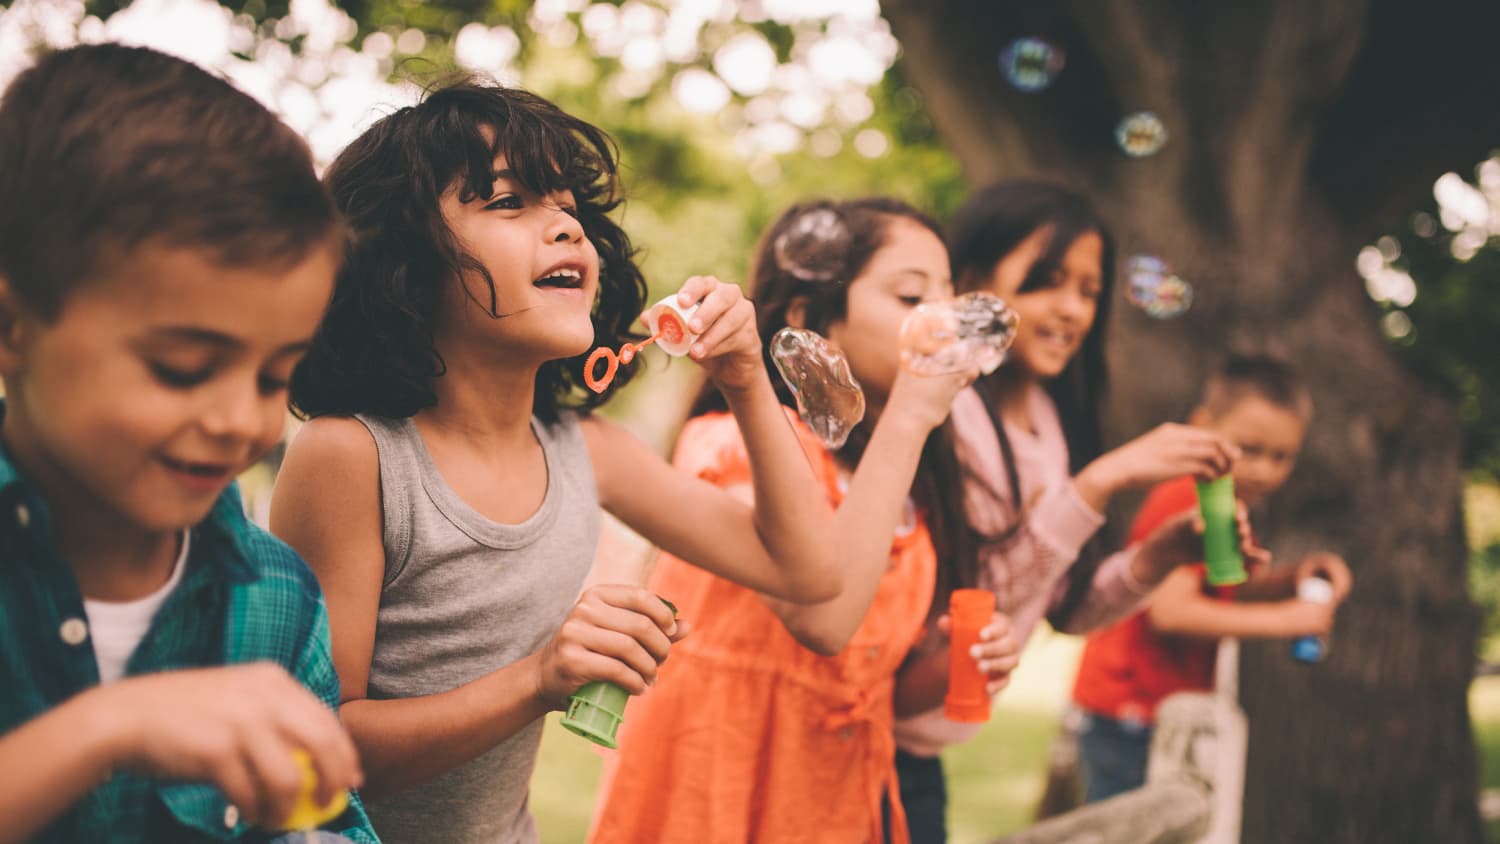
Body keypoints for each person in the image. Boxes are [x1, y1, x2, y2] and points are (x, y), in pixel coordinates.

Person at [269, 79, 842, 843]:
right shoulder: (352, 456)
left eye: (568, 205)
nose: (566, 227)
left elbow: (806, 572)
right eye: (509, 202)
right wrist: (538, 679)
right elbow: (314, 747)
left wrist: (742, 382)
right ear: (403, 259)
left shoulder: (584, 448)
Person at [0, 44, 375, 843]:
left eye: (276, 378)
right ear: (12, 327)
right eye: (183, 369)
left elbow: (335, 825)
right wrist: (105, 728)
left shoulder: (277, 598)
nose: (242, 419)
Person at [589, 197, 1020, 844]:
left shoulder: (902, 487)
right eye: (911, 298)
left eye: (950, 298)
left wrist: (965, 668)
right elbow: (823, 619)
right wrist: (910, 416)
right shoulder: (733, 448)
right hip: (715, 795)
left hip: (832, 807)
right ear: (808, 320)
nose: (944, 324)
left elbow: (866, 683)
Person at [890, 181, 1248, 843]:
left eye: (1089, 290)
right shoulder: (945, 414)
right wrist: (1097, 485)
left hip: (926, 751)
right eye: (1046, 281)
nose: (1072, 309)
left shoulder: (1056, 422)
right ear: (968, 281)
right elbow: (985, 598)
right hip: (880, 734)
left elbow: (1066, 606)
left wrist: (1159, 556)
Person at [1069, 354, 1352, 802]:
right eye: (1250, 449)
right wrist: (1287, 619)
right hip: (1130, 711)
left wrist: (1290, 580)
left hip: (1158, 712)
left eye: (1283, 457)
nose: (1265, 469)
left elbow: (1220, 588)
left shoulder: (1226, 499)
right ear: (1201, 428)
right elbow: (1172, 611)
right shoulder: (1187, 496)